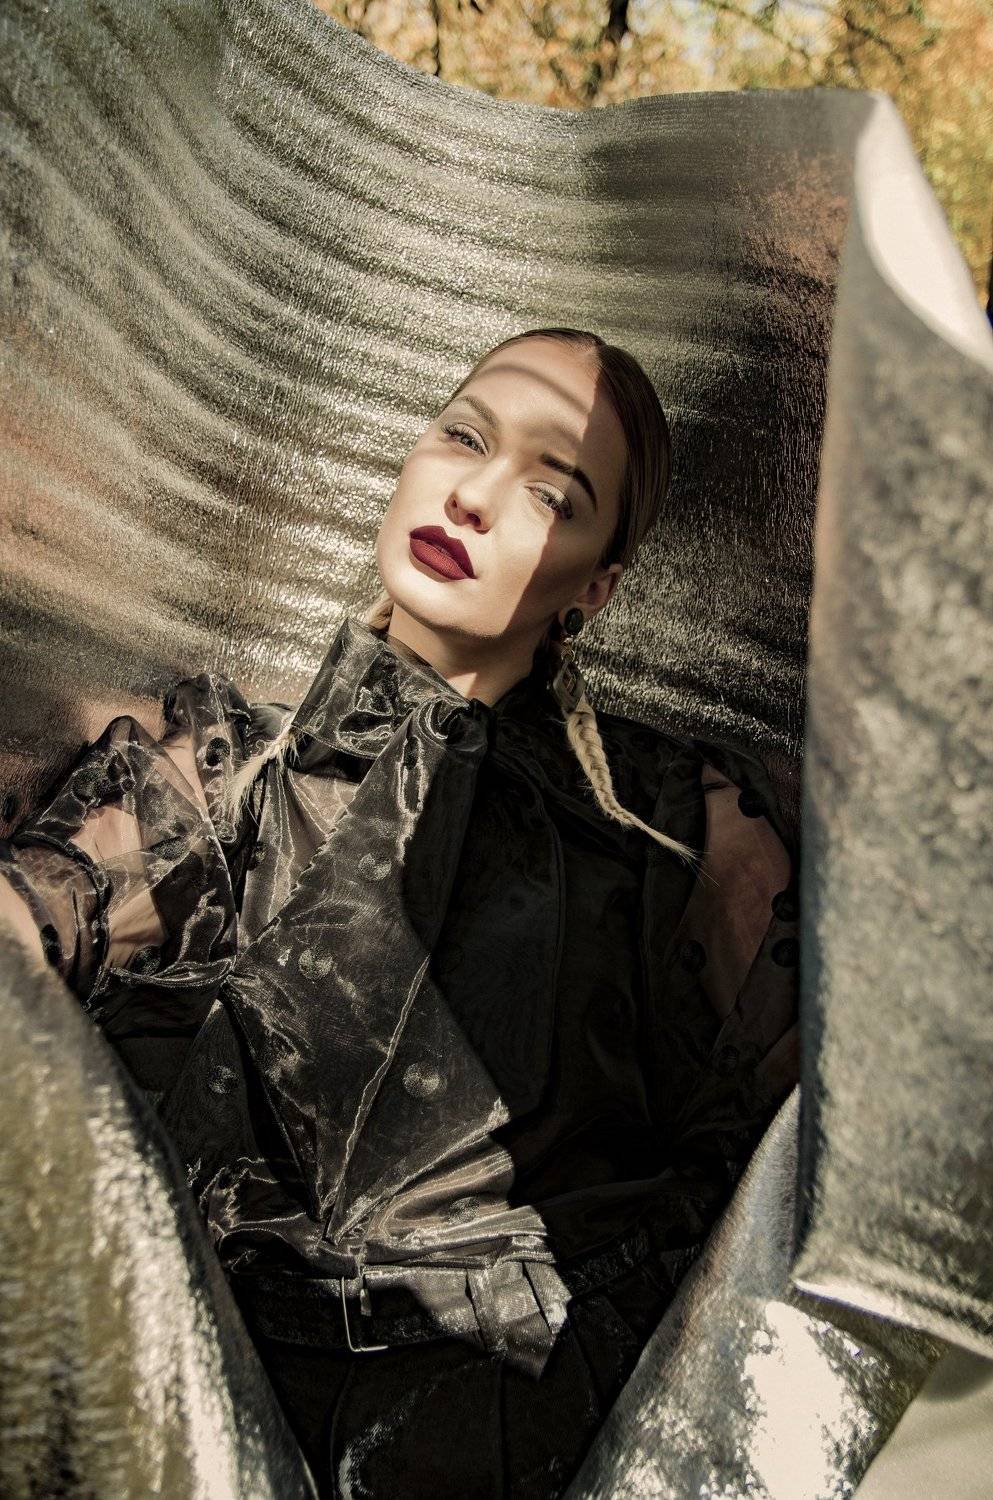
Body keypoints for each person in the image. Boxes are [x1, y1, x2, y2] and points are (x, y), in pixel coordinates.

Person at [0, 327, 801, 1498]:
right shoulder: (237, 765)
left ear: (596, 585)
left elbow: (797, 1160)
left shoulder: (675, 829)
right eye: (463, 436)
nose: (473, 494)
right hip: (215, 1418)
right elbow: (49, 905)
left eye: (551, 492)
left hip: (528, 1436)